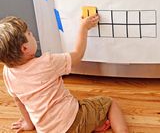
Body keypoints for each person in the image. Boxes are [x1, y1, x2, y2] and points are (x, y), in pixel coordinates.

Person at [0, 16, 129, 133]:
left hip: (46, 130)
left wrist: (29, 124)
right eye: (29, 34)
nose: (32, 34)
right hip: (74, 121)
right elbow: (78, 55)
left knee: (82, 106)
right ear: (24, 48)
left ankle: (93, 125)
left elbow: (19, 102)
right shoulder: (47, 63)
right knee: (109, 103)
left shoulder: (7, 73)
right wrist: (84, 28)